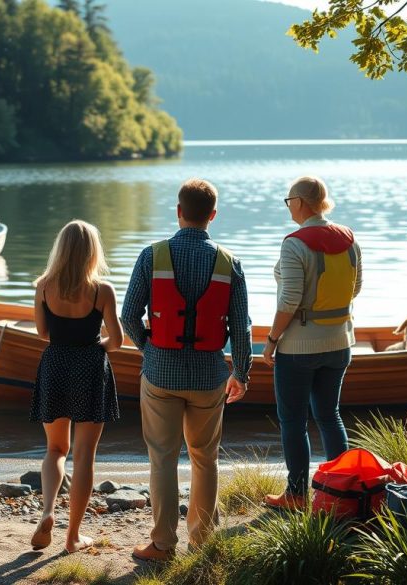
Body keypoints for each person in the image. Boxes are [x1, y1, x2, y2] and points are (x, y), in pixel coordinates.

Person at [120, 178, 252, 561]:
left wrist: (150, 348)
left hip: (161, 374)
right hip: (210, 377)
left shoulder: (152, 255)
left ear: (178, 212)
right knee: (204, 459)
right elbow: (241, 329)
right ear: (212, 215)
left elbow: (129, 316)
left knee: (162, 457)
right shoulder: (230, 263)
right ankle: (202, 542)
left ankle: (162, 545)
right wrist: (241, 373)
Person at [260, 176, 363, 510]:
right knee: (329, 416)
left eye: (289, 200)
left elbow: (288, 301)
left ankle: (295, 495)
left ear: (301, 202)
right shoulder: (348, 238)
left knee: (293, 420)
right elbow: (356, 286)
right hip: (339, 343)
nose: (289, 207)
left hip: (298, 349)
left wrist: (272, 340)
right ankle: (341, 493)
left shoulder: (294, 243)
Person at [28, 220, 123, 554]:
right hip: (89, 367)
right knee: (84, 455)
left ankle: (48, 511)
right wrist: (98, 346)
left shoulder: (43, 286)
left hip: (54, 365)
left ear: (61, 249)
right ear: (92, 252)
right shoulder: (102, 290)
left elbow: (42, 333)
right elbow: (118, 341)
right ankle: (72, 538)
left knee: (56, 450)